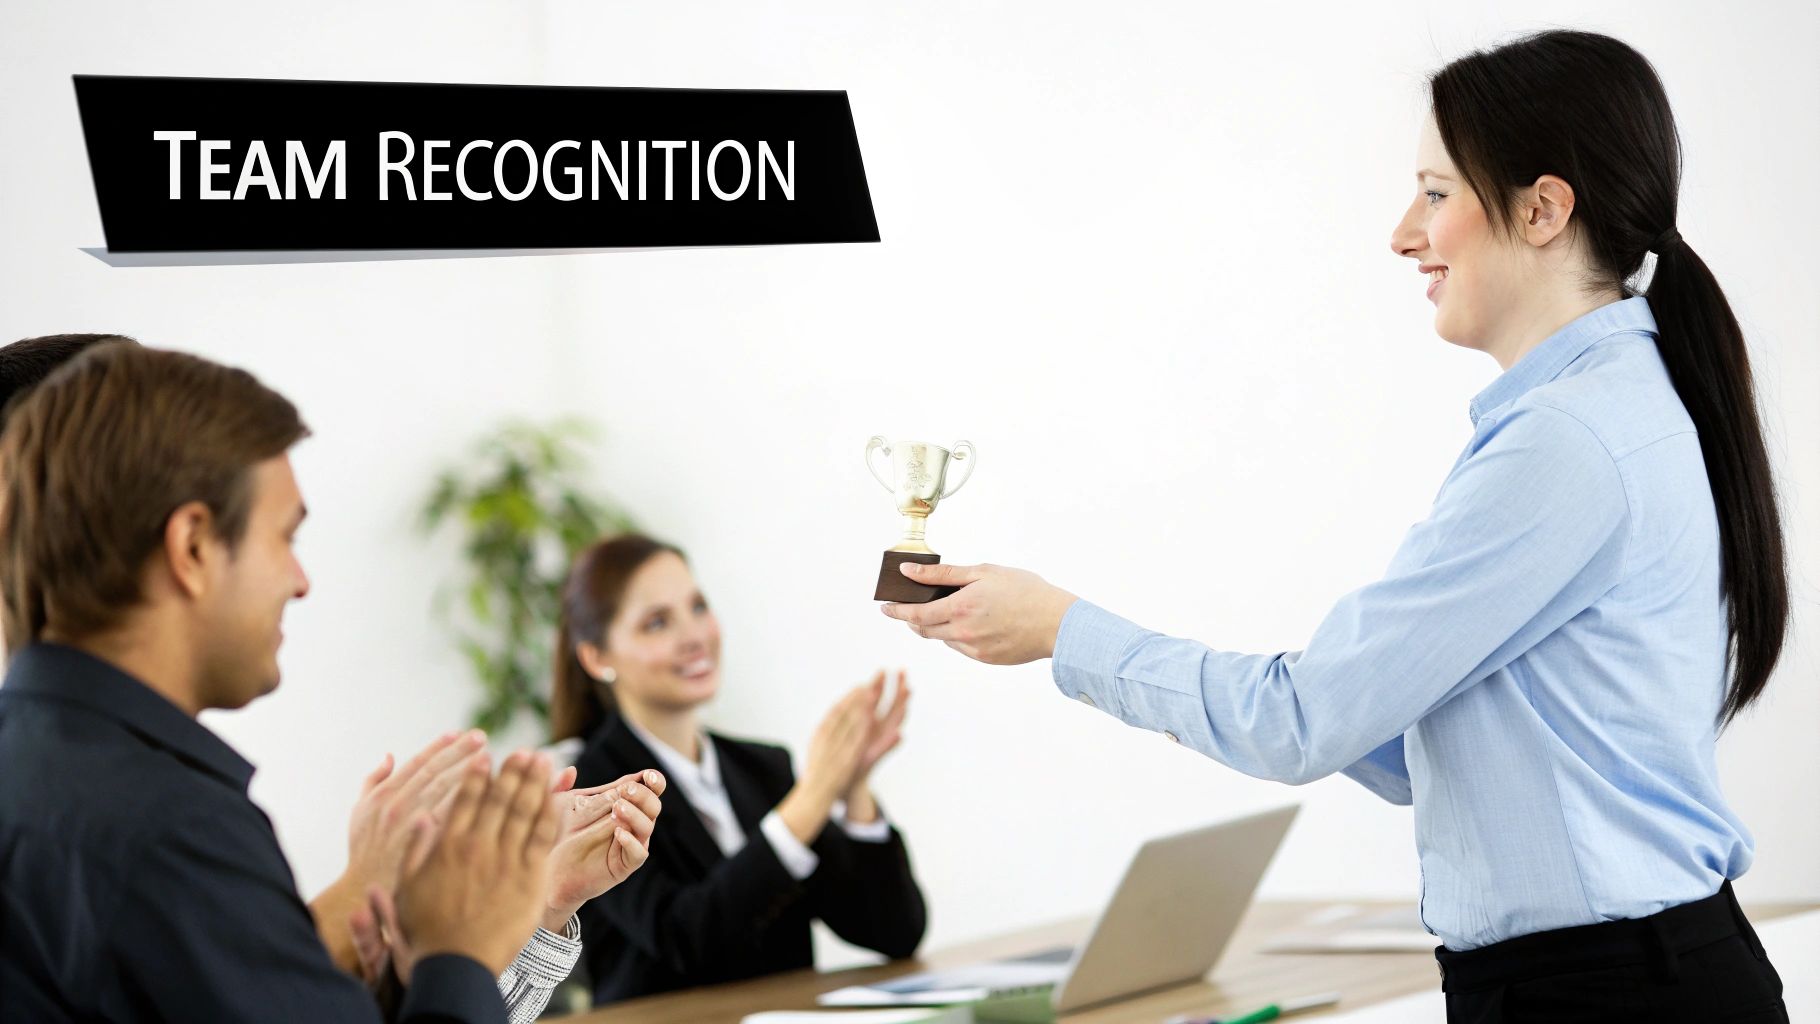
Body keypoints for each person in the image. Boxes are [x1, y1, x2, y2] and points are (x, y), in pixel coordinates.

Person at [881, 29, 1788, 1024]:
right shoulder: (1606, 407)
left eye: (1434, 193)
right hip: (1615, 977)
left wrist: (1063, 630)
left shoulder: (1563, 444)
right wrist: (1324, 686)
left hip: (1604, 992)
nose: (1404, 233)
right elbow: (1402, 747)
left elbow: (1302, 723)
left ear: (1541, 209)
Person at [0, 332, 667, 1023]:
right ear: (193, 546)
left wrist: (497, 914)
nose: (301, 581)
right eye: (284, 537)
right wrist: (456, 951)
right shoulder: (165, 827)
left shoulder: (43, 767)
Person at [550, 534, 927, 1004]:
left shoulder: (763, 768)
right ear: (596, 657)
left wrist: (853, 791)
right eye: (657, 622)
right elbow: (686, 938)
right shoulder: (591, 788)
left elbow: (896, 933)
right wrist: (809, 802)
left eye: (698, 607)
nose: (693, 635)